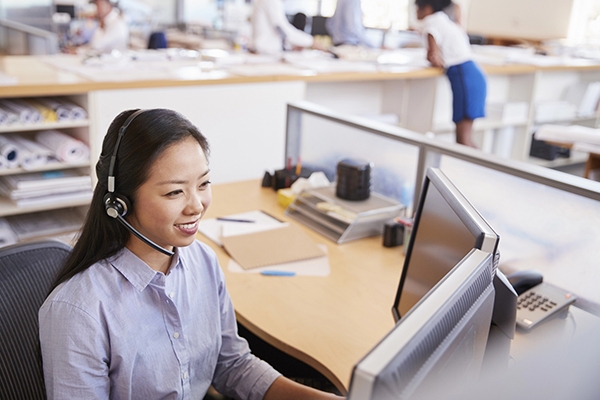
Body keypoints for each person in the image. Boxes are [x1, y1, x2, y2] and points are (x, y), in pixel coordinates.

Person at [38, 108, 343, 400]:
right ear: (120, 202)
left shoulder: (203, 261)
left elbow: (233, 366)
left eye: (203, 184)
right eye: (175, 192)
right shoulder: (78, 310)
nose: (196, 205)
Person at [416, 0, 486, 148]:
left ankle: (482, 170)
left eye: (417, 8)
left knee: (463, 141)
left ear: (427, 8)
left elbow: (433, 57)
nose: (415, 12)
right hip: (472, 76)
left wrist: (437, 61)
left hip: (464, 78)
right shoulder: (445, 22)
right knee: (465, 139)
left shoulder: (431, 24)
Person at [249, 0, 316, 55]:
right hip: (265, 52)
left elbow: (273, 32)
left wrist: (290, 46)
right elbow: (282, 29)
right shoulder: (271, 1)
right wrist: (311, 42)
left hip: (266, 51)